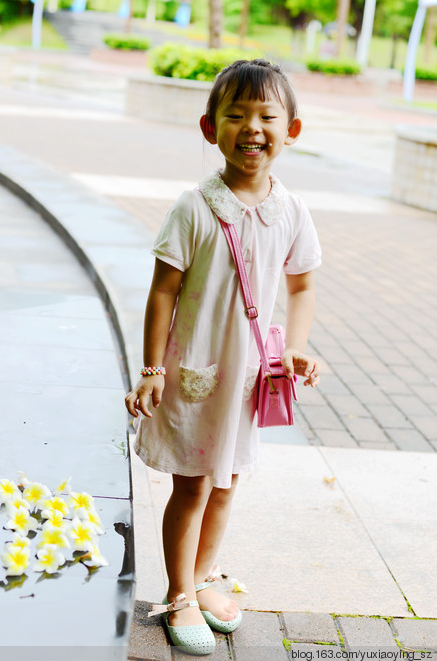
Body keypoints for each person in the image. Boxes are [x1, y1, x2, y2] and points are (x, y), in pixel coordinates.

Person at [125, 59, 322, 655]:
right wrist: (154, 369)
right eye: (236, 115)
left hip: (247, 377)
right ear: (211, 128)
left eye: (267, 116)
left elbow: (303, 285)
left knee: (229, 481)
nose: (252, 127)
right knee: (191, 486)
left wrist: (295, 349)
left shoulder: (291, 210)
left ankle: (206, 574)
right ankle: (180, 591)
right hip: (196, 375)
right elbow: (163, 290)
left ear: (292, 130)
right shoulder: (195, 207)